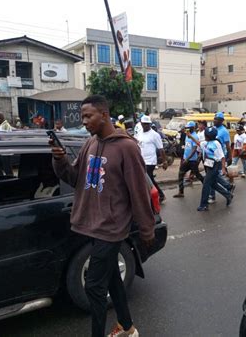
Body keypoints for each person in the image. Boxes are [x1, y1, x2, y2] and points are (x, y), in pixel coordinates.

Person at [50, 95, 154, 337]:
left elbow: (139, 192)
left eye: (88, 116)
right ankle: (127, 327)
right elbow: (74, 177)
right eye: (83, 116)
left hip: (111, 226)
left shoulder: (127, 147)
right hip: (91, 223)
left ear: (104, 115)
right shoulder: (91, 143)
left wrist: (147, 229)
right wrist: (60, 159)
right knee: (111, 277)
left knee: (95, 286)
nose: (84, 121)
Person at [197, 127, 233, 211]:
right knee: (213, 184)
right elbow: (199, 144)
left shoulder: (216, 143)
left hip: (215, 165)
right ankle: (228, 195)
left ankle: (203, 205)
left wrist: (223, 168)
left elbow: (222, 157)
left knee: (206, 184)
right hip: (208, 165)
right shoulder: (205, 143)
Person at [136, 115, 168, 202]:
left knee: (148, 178)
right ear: (141, 124)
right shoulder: (139, 133)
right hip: (141, 160)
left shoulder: (155, 135)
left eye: (147, 124)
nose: (146, 125)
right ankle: (156, 195)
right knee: (148, 179)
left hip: (150, 161)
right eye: (144, 124)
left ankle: (159, 195)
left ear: (150, 124)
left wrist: (164, 161)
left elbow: (161, 149)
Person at [173, 121, 204, 198]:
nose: (187, 129)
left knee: (197, 175)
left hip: (192, 160)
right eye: (187, 128)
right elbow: (187, 147)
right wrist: (184, 158)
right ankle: (181, 192)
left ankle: (207, 186)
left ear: (193, 128)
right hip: (186, 159)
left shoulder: (195, 136)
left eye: (189, 128)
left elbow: (194, 149)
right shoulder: (187, 135)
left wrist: (188, 158)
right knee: (181, 174)